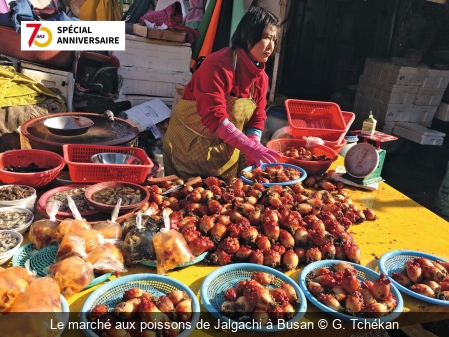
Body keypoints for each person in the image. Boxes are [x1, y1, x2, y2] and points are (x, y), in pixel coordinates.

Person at [162, 4, 281, 180]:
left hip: (224, 156)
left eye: (274, 39)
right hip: (186, 151)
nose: (271, 45)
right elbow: (215, 117)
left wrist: (253, 144)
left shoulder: (261, 78)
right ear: (248, 35)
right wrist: (250, 147)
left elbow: (257, 117)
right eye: (265, 37)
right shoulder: (217, 66)